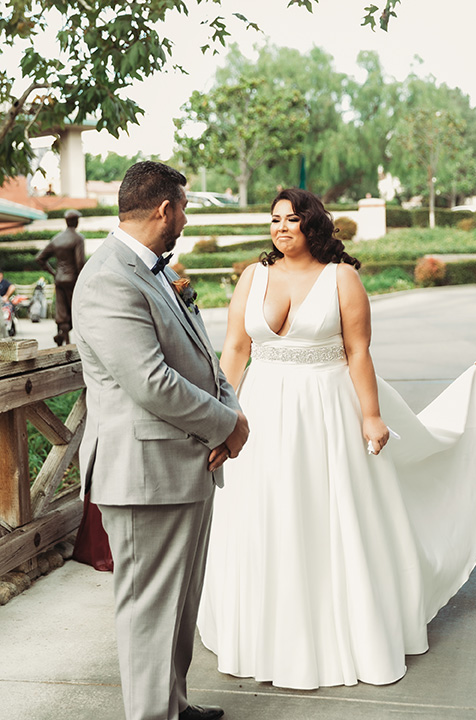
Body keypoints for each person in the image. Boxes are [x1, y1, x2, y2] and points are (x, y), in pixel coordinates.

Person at [197, 187, 476, 690]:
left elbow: (358, 352)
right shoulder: (253, 276)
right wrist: (224, 411)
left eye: (292, 220)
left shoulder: (342, 278)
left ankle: (338, 632)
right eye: (275, 219)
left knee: (325, 515)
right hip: (260, 411)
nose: (281, 228)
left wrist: (371, 417)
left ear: (314, 225)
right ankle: (265, 634)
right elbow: (236, 350)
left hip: (325, 412)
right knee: (264, 513)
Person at [71, 161, 249, 720]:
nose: (186, 219)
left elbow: (202, 353)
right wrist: (226, 425)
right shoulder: (108, 277)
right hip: (144, 473)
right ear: (165, 209)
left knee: (179, 606)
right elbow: (151, 382)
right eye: (185, 208)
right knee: (149, 610)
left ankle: (172, 703)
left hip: (184, 464)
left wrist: (230, 408)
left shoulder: (154, 270)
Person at [36, 208, 85, 346]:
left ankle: (63, 336)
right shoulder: (78, 238)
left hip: (59, 278)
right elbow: (80, 262)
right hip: (72, 279)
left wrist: (53, 273)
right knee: (73, 308)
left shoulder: (57, 239)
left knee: (61, 309)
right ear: (75, 222)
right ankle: (69, 338)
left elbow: (40, 258)